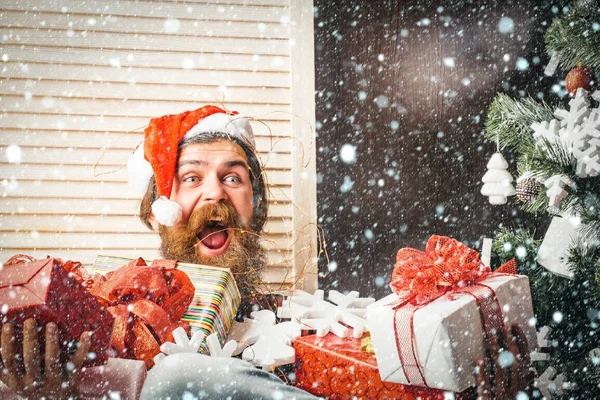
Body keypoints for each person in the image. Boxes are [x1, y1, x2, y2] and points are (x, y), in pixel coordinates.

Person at [1, 106, 532, 399]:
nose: (215, 194)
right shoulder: (107, 326)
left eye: (233, 177)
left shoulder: (312, 322)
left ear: (255, 206)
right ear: (162, 208)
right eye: (192, 178)